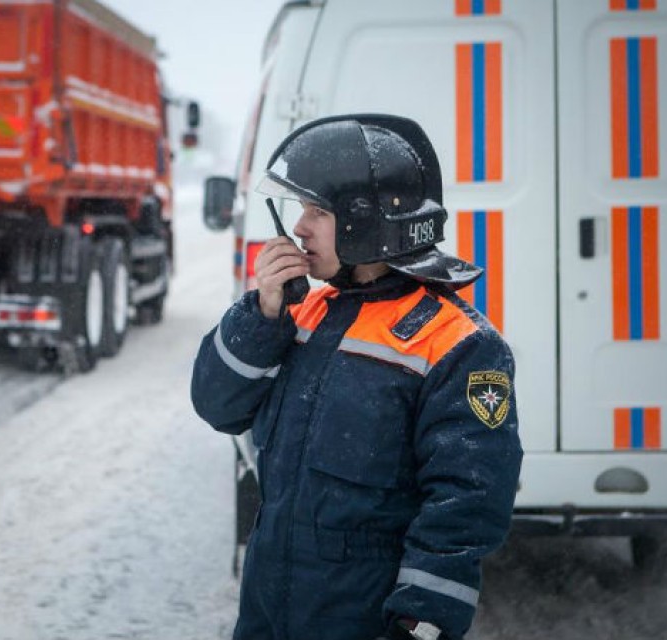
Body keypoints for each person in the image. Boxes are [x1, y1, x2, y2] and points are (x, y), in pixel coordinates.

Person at [191, 114, 523, 640]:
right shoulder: (302, 312)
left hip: (359, 619)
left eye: (318, 211)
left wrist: (418, 627)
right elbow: (217, 406)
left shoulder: (458, 344)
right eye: (302, 210)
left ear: (367, 223)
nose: (300, 227)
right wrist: (264, 311)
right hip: (267, 613)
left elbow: (465, 512)